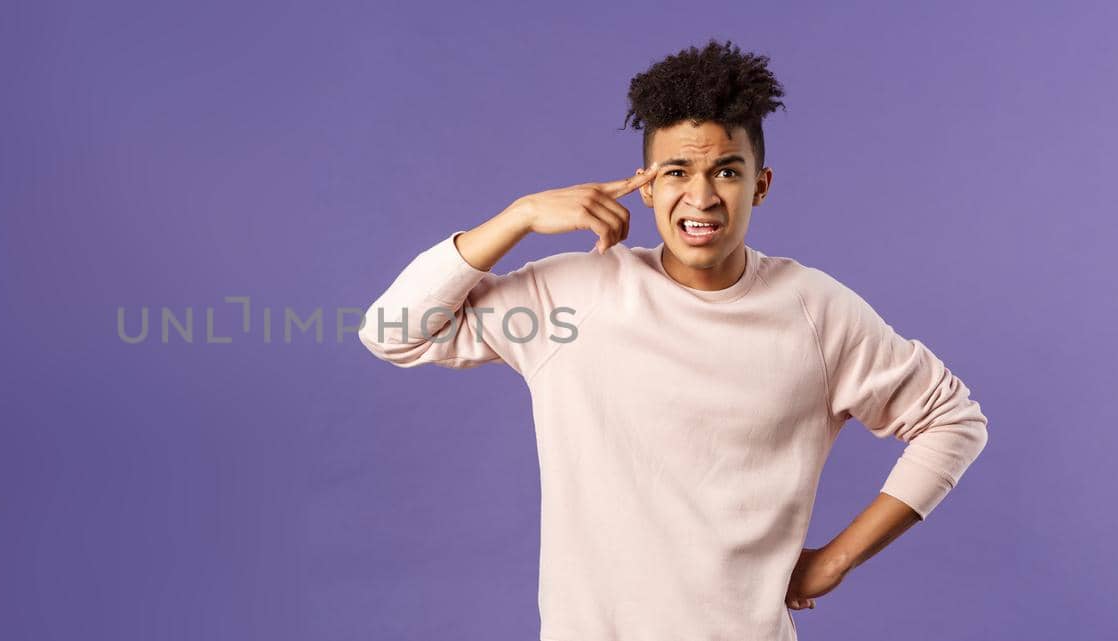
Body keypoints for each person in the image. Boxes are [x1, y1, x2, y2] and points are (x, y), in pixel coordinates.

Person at [355, 39, 989, 641]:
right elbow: (392, 332)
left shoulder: (815, 311)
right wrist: (518, 216)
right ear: (648, 185)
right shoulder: (572, 298)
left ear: (761, 185)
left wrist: (836, 560)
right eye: (678, 170)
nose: (702, 195)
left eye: (727, 171)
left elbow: (952, 420)